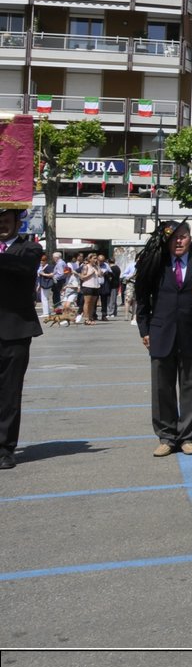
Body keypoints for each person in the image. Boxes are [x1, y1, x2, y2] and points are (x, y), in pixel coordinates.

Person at [134, 221, 192, 455]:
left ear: (190, 238)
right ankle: (166, 436)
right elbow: (142, 298)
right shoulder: (156, 263)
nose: (179, 241)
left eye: (183, 236)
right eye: (174, 238)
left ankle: (186, 436)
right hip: (161, 333)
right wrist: (144, 330)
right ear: (167, 241)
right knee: (162, 387)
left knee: (191, 386)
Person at [0, 117, 43, 470]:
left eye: (8, 217)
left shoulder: (29, 248)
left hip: (15, 331)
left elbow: (20, 270)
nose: (2, 222)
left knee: (9, 394)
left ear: (18, 220)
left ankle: (5, 449)